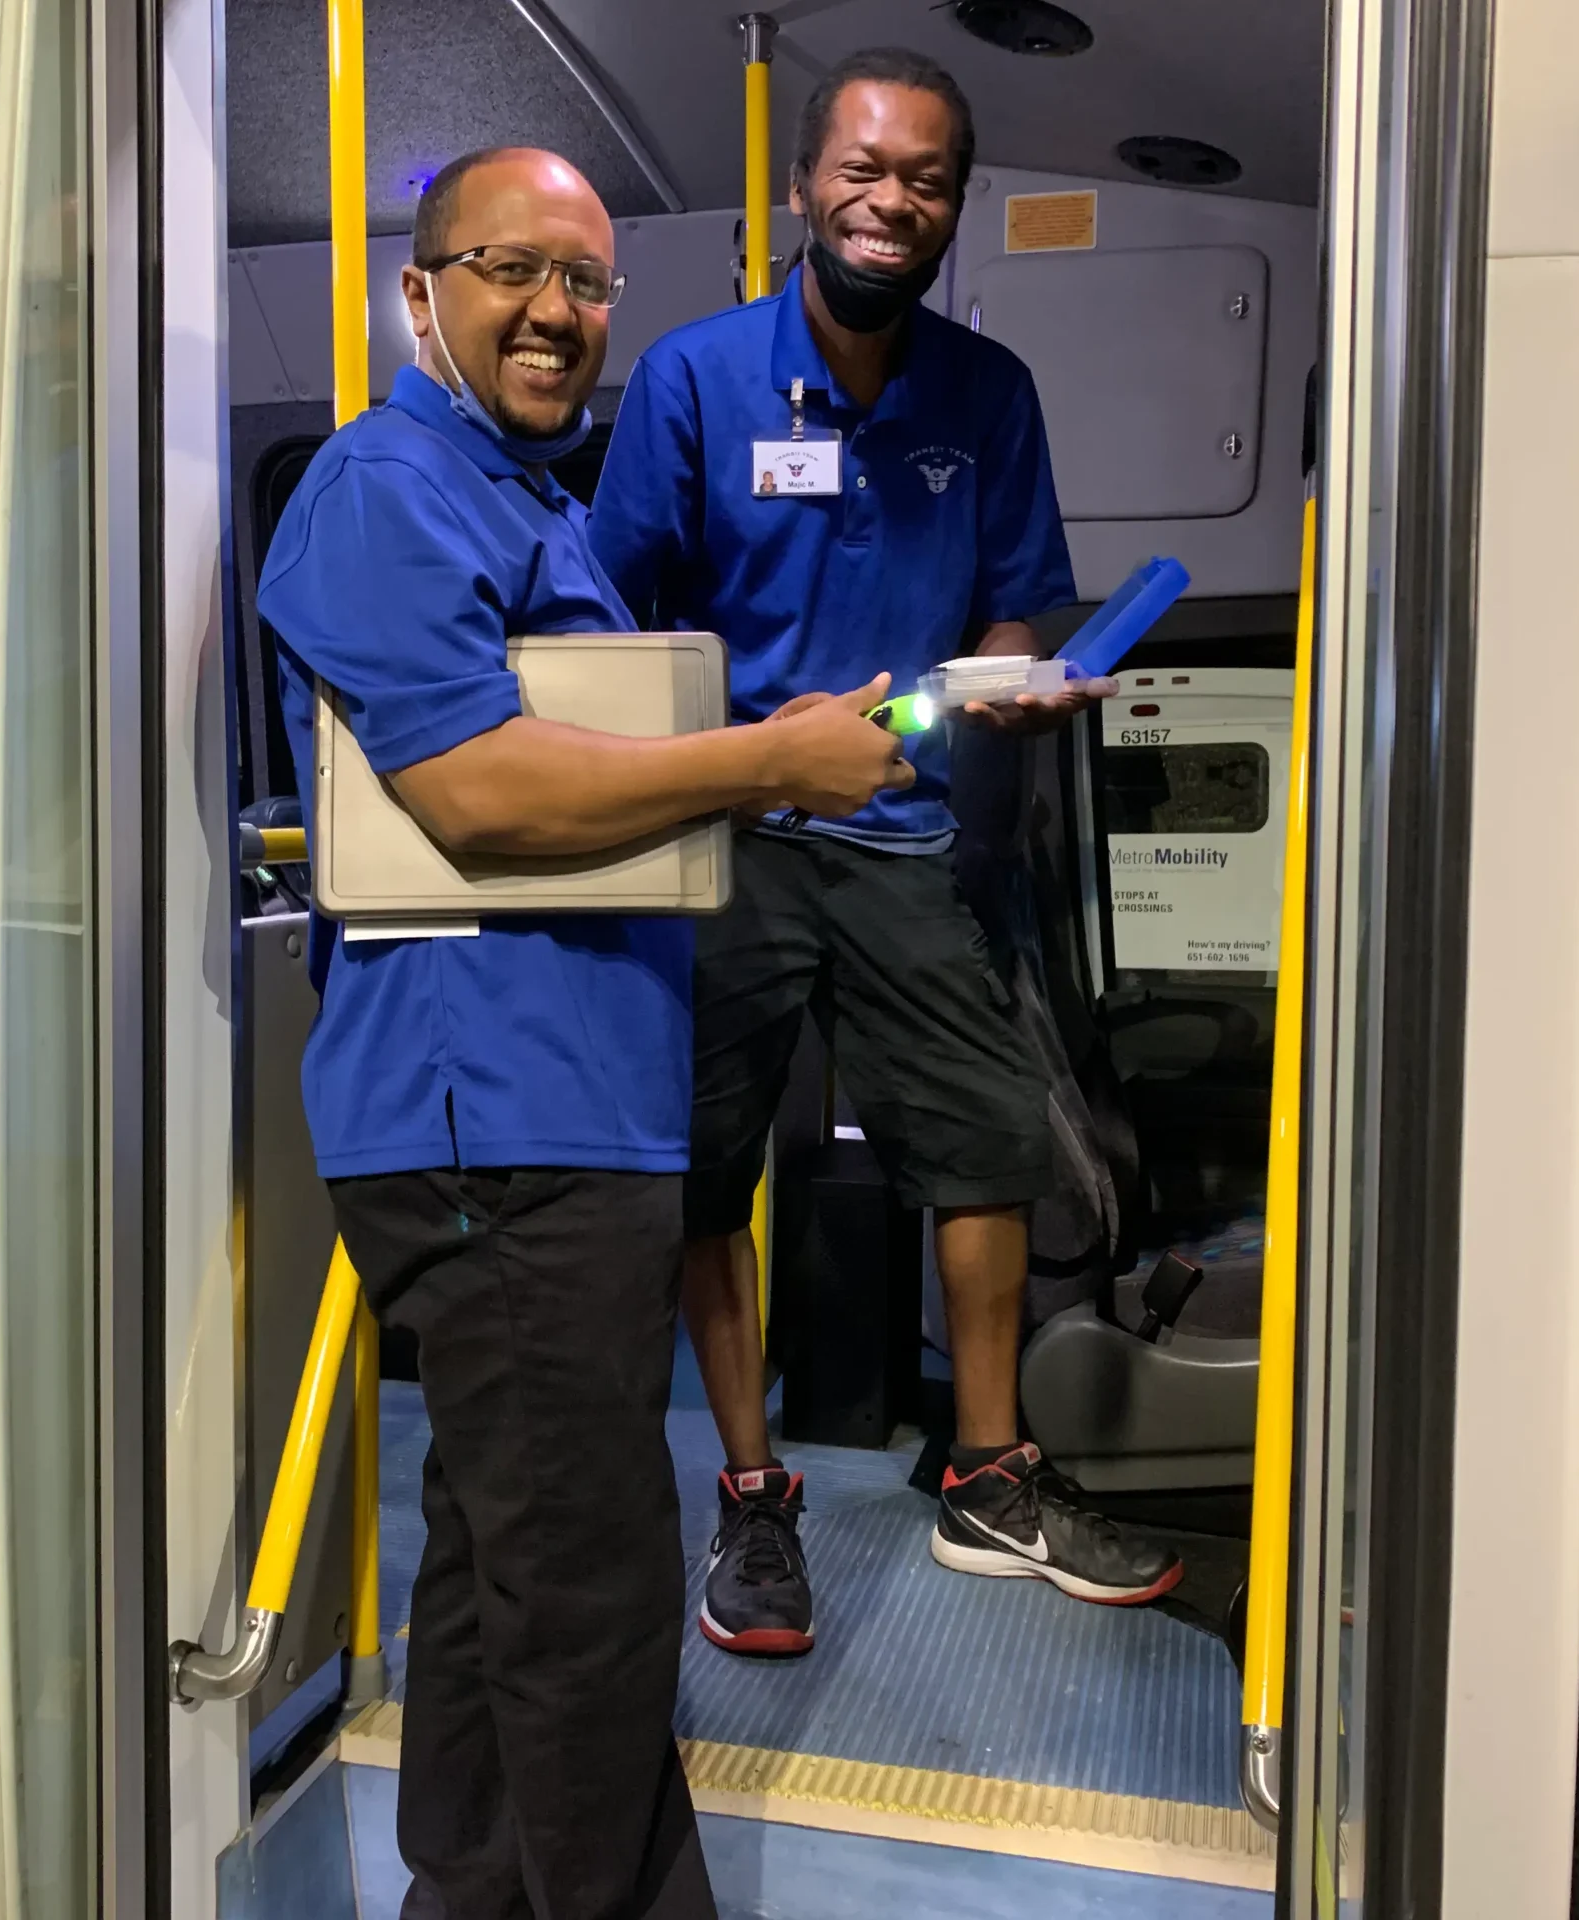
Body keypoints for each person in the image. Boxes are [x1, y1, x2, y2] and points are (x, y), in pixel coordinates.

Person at [256, 146, 910, 1920]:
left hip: (571, 1120)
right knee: (592, 1595)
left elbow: (609, 784)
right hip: (494, 1125)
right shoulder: (386, 489)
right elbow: (477, 789)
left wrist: (766, 755)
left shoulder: (533, 505)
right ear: (422, 291)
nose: (560, 312)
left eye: (592, 285)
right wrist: (764, 759)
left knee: (495, 1577)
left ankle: (464, 1899)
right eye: (513, 269)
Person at [588, 48, 1184, 1659]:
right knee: (709, 1167)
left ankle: (990, 1473)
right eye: (862, 168)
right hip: (728, 829)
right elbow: (616, 609)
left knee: (987, 1143)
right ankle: (752, 1486)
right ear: (804, 187)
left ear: (953, 207)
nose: (888, 199)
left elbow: (1012, 594)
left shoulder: (987, 396)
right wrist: (697, 763)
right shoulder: (697, 380)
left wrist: (1007, 679)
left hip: (909, 827)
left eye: (923, 177)